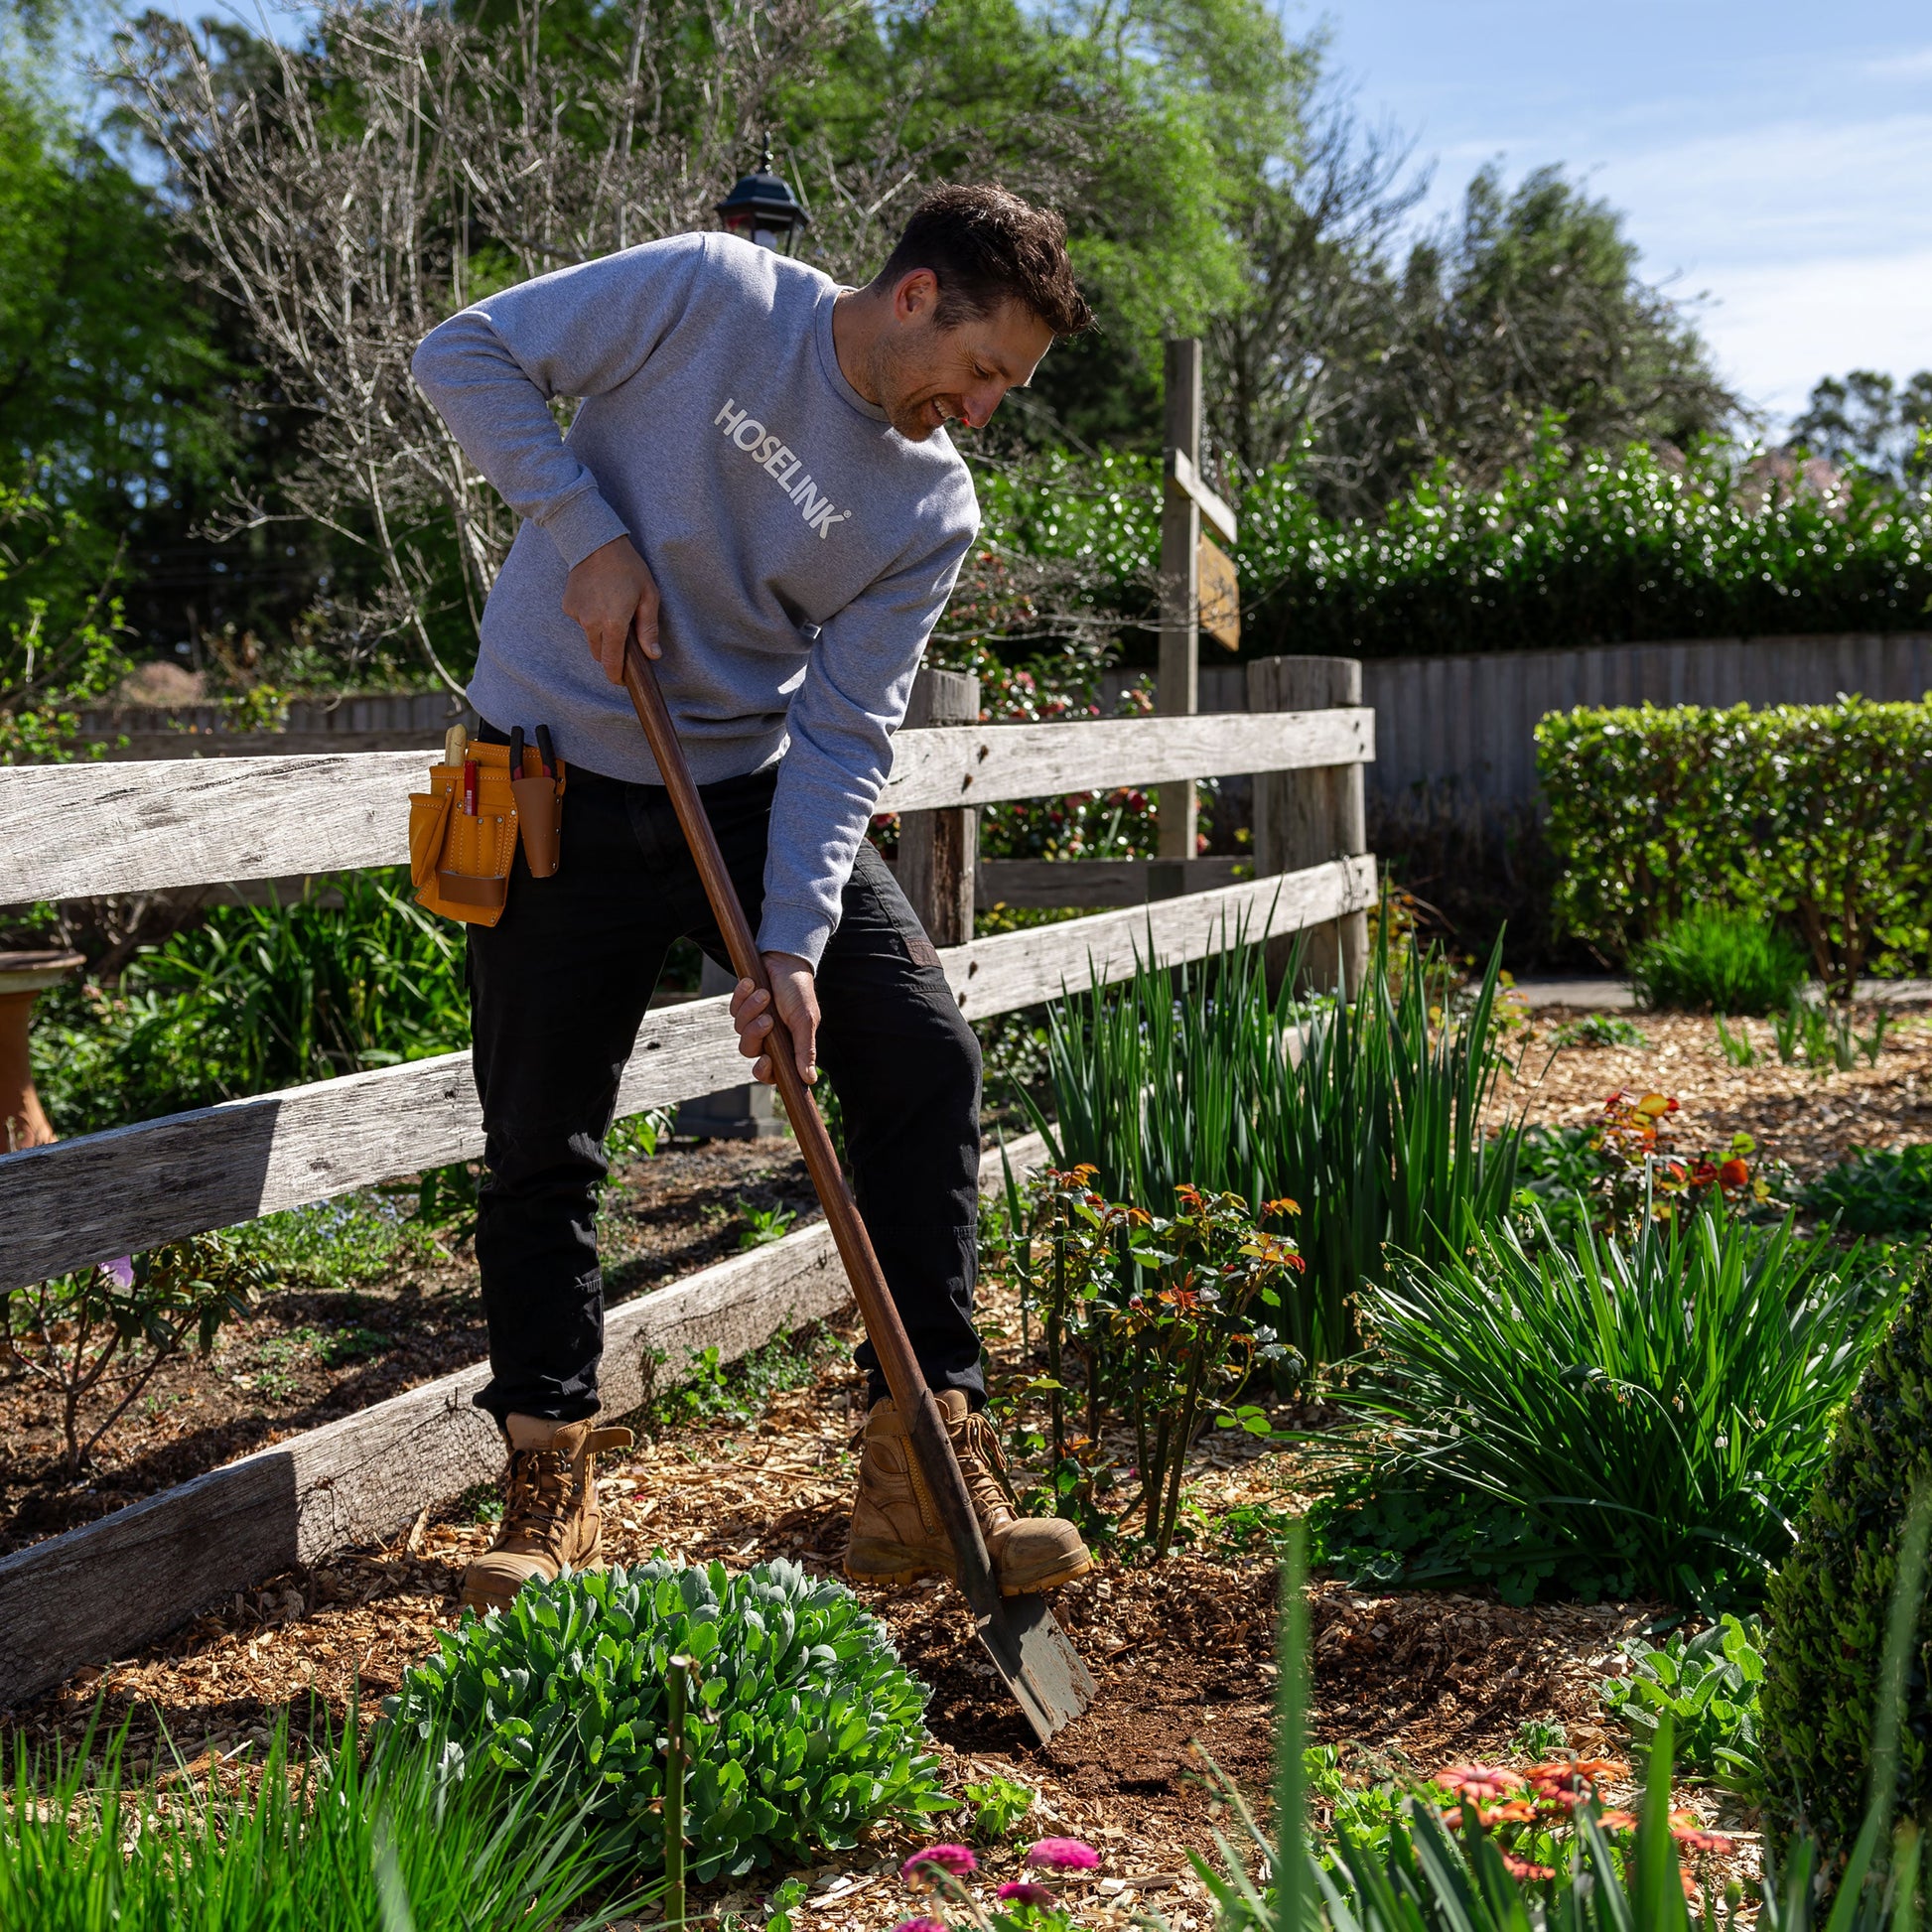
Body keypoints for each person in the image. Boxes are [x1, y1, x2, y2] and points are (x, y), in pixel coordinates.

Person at [411, 182, 1096, 1616]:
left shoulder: (927, 506)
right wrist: (585, 535)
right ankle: (548, 1480)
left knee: (919, 1053)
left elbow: (847, 729)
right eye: (980, 373)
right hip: (553, 765)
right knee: (543, 1132)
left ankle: (926, 1467)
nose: (979, 411)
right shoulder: (714, 293)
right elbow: (460, 352)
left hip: (746, 783)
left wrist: (790, 940)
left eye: (1004, 392)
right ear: (914, 296)